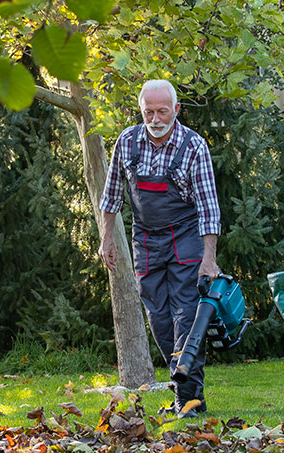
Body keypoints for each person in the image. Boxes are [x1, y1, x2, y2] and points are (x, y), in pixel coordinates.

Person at [98, 79, 220, 418]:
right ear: (141, 111)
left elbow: (209, 207)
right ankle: (188, 392)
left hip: (186, 237)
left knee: (185, 314)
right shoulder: (127, 142)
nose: (155, 118)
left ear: (176, 110)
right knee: (160, 320)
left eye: (162, 111)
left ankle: (188, 398)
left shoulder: (193, 146)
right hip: (146, 239)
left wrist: (208, 259)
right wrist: (107, 238)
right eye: (148, 111)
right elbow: (111, 196)